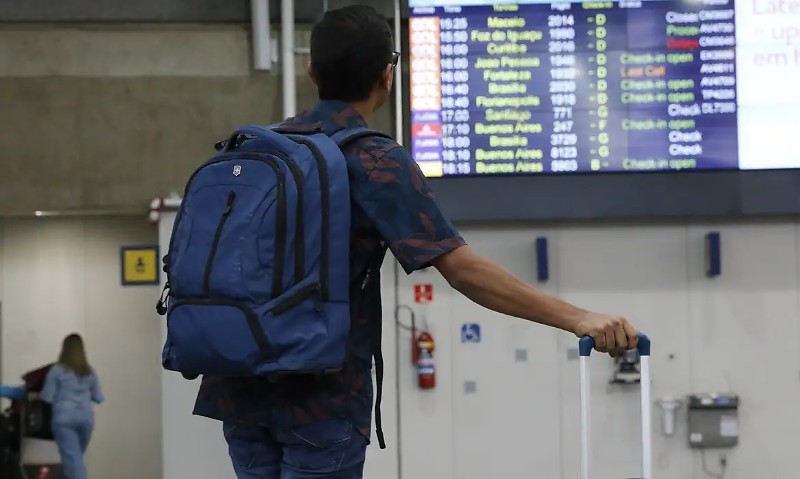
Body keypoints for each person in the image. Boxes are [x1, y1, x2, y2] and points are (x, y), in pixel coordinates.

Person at [192, 5, 640, 478]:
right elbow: (461, 269)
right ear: (387, 76)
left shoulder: (256, 148)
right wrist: (579, 318)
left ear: (311, 71)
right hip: (320, 397)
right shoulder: (372, 158)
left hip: (238, 386)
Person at [38, 334, 104, 479]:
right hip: (86, 419)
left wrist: (34, 395)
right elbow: (98, 398)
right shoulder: (90, 372)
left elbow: (47, 396)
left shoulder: (57, 370)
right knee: (73, 460)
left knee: (73, 462)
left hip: (64, 420)